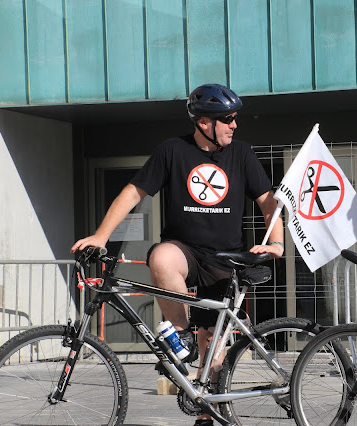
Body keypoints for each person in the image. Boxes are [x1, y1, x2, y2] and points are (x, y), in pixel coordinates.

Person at [71, 83, 284, 426]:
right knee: (161, 258)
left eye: (235, 119)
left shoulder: (241, 153)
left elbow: (267, 201)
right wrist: (100, 235)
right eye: (228, 119)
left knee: (213, 353)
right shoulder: (172, 151)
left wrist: (276, 243)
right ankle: (181, 335)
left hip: (226, 259)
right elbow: (132, 192)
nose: (234, 125)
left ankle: (206, 412)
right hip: (185, 250)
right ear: (204, 123)